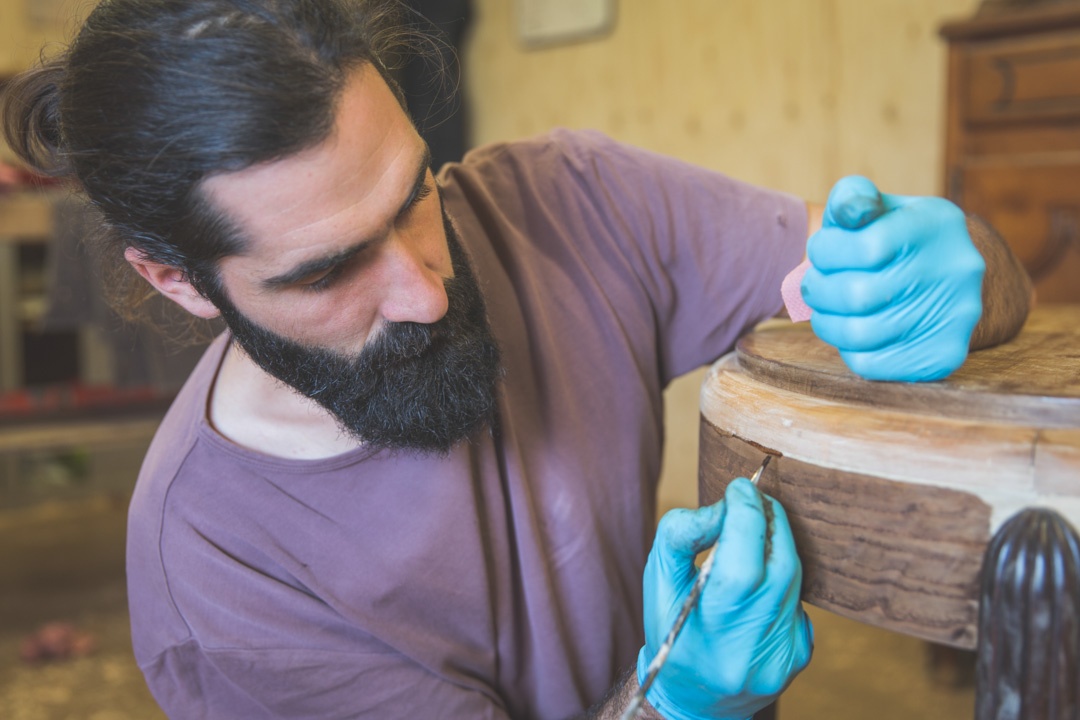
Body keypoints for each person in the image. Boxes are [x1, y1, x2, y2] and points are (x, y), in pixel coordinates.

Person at [1, 1, 1031, 718]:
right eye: (326, 273)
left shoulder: (568, 204)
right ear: (178, 281)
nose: (426, 288)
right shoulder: (219, 570)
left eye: (411, 197)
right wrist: (678, 707)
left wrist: (952, 263)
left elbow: (985, 282)